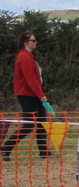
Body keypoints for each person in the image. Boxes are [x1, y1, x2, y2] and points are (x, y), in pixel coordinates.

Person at [2, 30, 51, 161]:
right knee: (29, 125)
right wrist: (41, 95)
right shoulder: (24, 57)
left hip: (34, 94)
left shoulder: (28, 56)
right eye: (33, 40)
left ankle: (44, 151)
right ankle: (6, 148)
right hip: (27, 95)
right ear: (25, 42)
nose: (35, 42)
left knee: (42, 123)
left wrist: (39, 94)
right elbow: (31, 79)